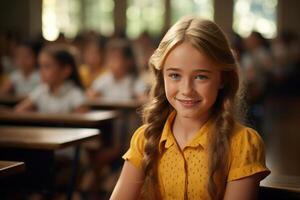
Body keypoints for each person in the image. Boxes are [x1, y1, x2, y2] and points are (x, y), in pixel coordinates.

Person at [110, 16, 270, 200]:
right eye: (175, 75)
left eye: (201, 77)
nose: (186, 90)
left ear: (223, 79)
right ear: (162, 77)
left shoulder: (242, 144)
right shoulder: (144, 140)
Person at [15, 44, 87, 113]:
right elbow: (18, 111)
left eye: (47, 66)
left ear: (66, 70)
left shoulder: (75, 94)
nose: (42, 71)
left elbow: (83, 121)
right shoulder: (41, 91)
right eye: (40, 66)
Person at [87, 38, 148, 103]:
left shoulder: (135, 81)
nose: (111, 62)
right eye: (109, 58)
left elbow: (143, 99)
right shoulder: (105, 79)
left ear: (128, 61)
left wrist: (140, 98)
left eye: (115, 58)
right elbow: (90, 95)